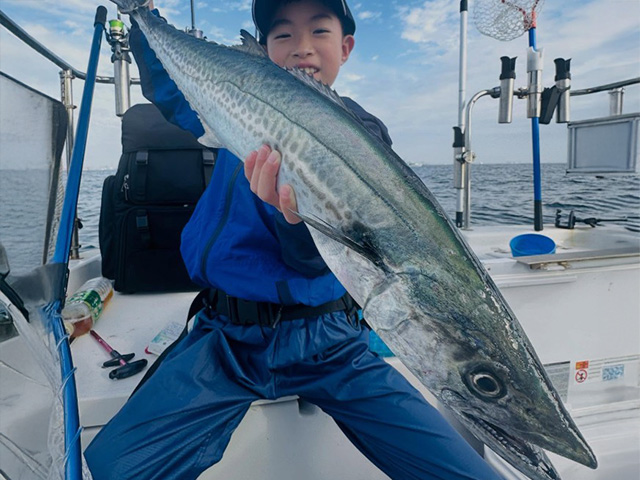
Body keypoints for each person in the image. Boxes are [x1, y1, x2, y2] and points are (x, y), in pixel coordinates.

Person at [85, 1, 502, 479]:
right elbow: (170, 88)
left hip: (331, 342)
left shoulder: (361, 135)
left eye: (319, 31)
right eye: (283, 35)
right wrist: (142, 18)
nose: (302, 47)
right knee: (111, 468)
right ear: (262, 49)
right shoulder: (231, 104)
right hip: (225, 339)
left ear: (345, 47)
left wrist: (297, 221)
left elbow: (323, 262)